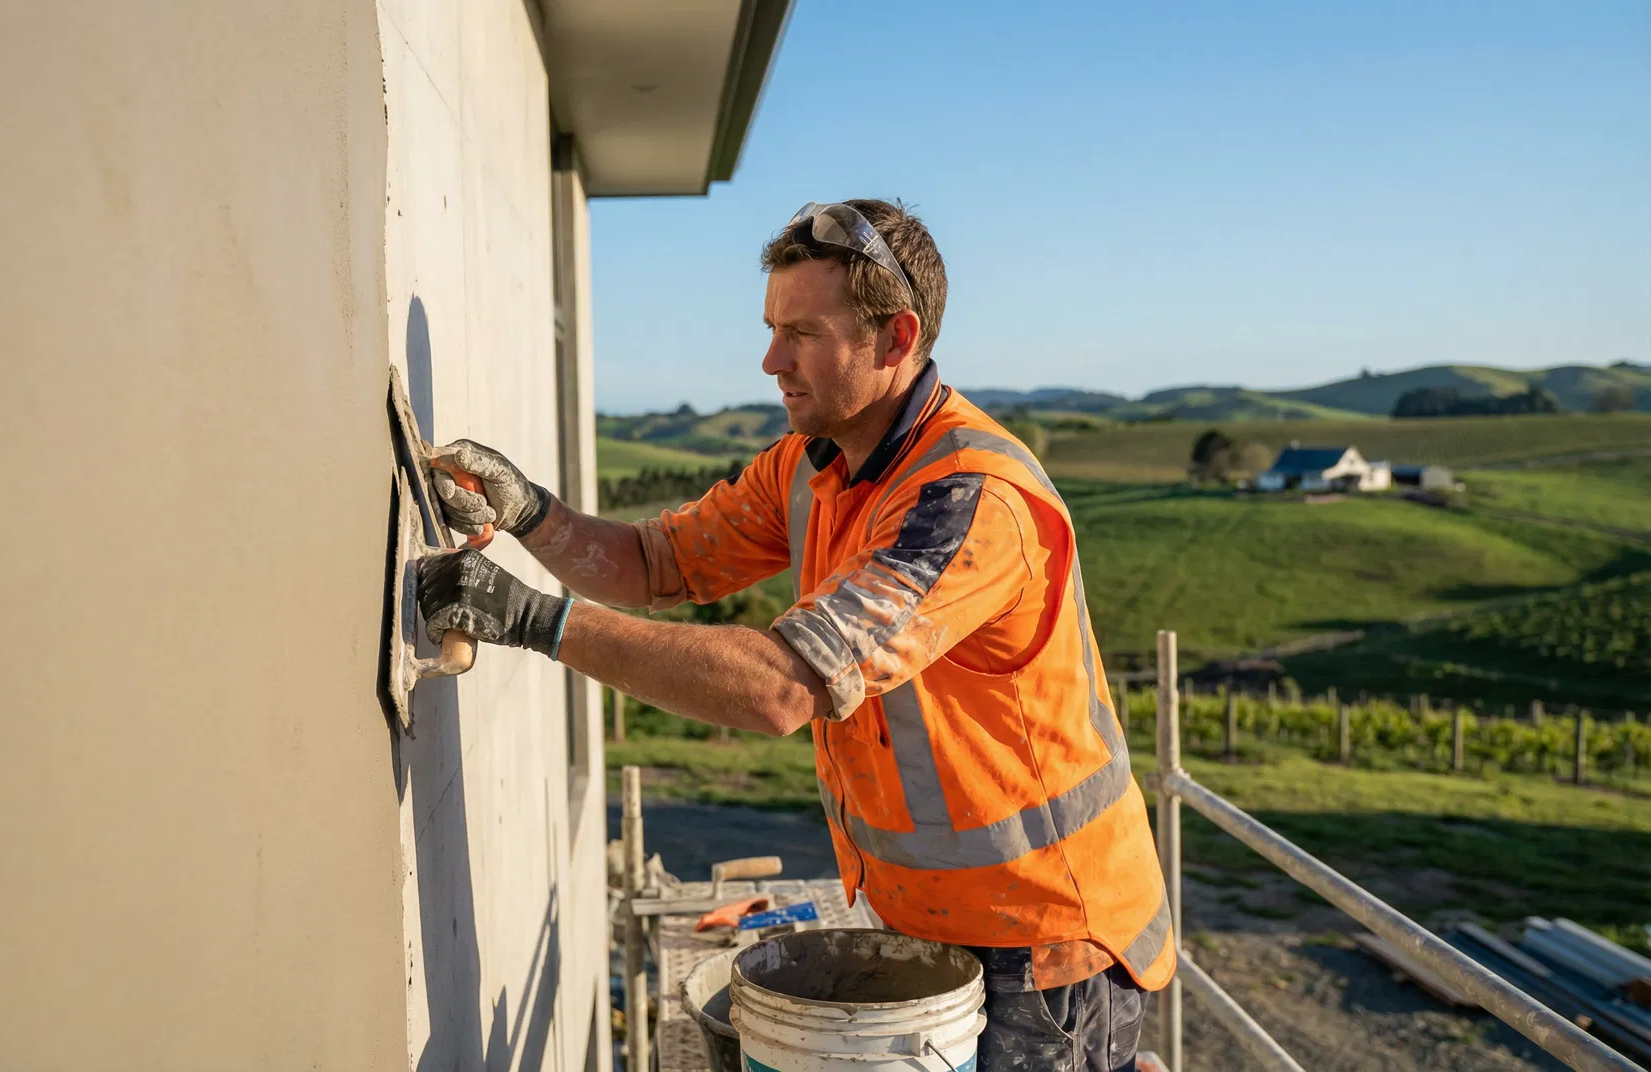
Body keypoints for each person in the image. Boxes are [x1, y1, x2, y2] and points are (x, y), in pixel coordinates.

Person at [416, 199, 1172, 1071]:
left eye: (802, 334)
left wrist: (534, 620)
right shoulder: (814, 462)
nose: (771, 361)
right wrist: (529, 514)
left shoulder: (966, 500)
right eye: (772, 329)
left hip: (1047, 944)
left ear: (897, 337)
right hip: (934, 920)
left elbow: (781, 686)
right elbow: (654, 563)